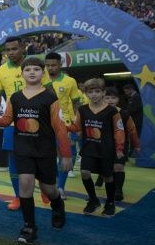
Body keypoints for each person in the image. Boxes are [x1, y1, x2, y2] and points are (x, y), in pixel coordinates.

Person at [0, 57, 70, 244]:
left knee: (48, 189)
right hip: (23, 148)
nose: (32, 72)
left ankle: (57, 205)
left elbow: (60, 128)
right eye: (28, 69)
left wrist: (66, 155)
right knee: (25, 183)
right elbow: (7, 120)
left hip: (45, 150)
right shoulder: (15, 97)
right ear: (22, 74)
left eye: (36, 69)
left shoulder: (50, 98)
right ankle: (29, 227)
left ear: (43, 73)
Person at [0, 36, 47, 211]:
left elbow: (49, 94)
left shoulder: (34, 67)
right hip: (12, 123)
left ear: (23, 48)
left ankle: (46, 186)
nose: (11, 53)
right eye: (8, 50)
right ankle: (18, 197)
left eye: (14, 49)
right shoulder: (1, 71)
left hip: (36, 121)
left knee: (39, 157)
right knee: (13, 159)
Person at [68, 78, 125, 216]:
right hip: (89, 147)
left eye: (97, 91)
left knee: (107, 177)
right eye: (90, 92)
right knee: (85, 172)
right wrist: (62, 126)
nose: (94, 94)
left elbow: (119, 130)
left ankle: (110, 203)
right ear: (86, 93)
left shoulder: (112, 111)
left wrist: (119, 148)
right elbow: (76, 127)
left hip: (106, 149)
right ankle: (93, 200)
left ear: (103, 93)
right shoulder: (82, 110)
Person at [44, 52, 80, 198]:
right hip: (45, 124)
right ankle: (52, 183)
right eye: (47, 65)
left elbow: (76, 102)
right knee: (48, 156)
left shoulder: (70, 81)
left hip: (65, 124)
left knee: (64, 155)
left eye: (53, 65)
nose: (50, 68)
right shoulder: (40, 79)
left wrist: (76, 123)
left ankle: (61, 187)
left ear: (60, 65)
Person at [104, 87, 140, 201]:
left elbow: (132, 130)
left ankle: (118, 190)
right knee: (108, 169)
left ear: (118, 99)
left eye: (113, 98)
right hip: (104, 146)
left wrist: (136, 145)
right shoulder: (98, 113)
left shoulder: (124, 114)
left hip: (121, 145)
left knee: (118, 166)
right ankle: (109, 187)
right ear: (103, 99)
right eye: (107, 98)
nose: (110, 100)